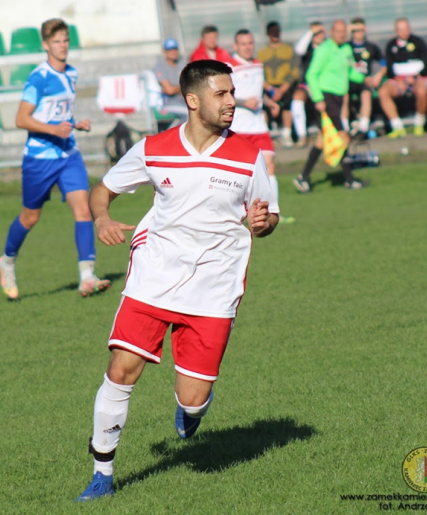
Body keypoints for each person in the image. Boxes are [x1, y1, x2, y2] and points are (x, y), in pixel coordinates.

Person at [75, 59, 280, 502]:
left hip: (215, 284)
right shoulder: (155, 148)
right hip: (155, 274)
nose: (232, 102)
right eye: (221, 94)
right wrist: (103, 217)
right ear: (193, 100)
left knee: (192, 398)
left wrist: (262, 224)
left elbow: (267, 215)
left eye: (232, 93)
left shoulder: (248, 156)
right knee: (120, 370)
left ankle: (189, 414)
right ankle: (102, 473)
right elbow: (103, 189)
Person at [0, 18, 110, 301]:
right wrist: (53, 129)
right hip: (40, 158)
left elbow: (58, 114)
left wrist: (74, 123)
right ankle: (7, 262)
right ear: (46, 45)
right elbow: (21, 118)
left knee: (83, 209)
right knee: (30, 217)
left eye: (66, 40)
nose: (63, 46)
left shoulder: (71, 73)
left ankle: (86, 276)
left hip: (68, 153)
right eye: (57, 41)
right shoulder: (38, 78)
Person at [292, 20, 368, 193]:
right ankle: (349, 179)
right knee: (343, 136)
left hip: (339, 98)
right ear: (332, 32)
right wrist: (318, 98)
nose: (342, 34)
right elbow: (312, 74)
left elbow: (349, 72)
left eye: (344, 32)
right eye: (338, 31)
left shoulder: (346, 49)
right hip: (326, 98)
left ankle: (303, 177)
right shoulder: (325, 49)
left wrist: (364, 78)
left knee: (322, 140)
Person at [230, 29, 294, 223]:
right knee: (239, 174)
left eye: (250, 43)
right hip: (238, 128)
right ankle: (237, 214)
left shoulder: (258, 64)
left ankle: (272, 212)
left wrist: (270, 103)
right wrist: (242, 103)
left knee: (269, 165)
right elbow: (224, 95)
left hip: (258, 126)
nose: (248, 47)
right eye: (243, 44)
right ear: (236, 46)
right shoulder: (229, 67)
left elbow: (257, 93)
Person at [378, 18, 427, 139]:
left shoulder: (418, 42)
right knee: (383, 92)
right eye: (400, 29)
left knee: (422, 91)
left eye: (406, 28)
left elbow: (426, 65)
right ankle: (397, 127)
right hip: (398, 80)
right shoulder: (391, 45)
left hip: (416, 78)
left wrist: (414, 77)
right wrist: (397, 79)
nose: (404, 32)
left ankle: (419, 124)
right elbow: (389, 67)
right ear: (396, 31)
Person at [258, 21, 300, 147]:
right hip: (269, 86)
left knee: (288, 104)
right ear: (267, 34)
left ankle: (287, 134)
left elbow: (294, 72)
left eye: (276, 32)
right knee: (263, 106)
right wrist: (270, 89)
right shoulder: (262, 53)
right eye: (272, 32)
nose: (274, 35)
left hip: (285, 86)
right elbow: (259, 75)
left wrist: (282, 89)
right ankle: (265, 135)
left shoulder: (288, 50)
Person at [346, 17, 386, 136]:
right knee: (344, 96)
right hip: (349, 81)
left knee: (366, 94)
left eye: (361, 30)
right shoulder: (346, 47)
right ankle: (346, 126)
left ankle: (363, 128)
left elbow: (384, 64)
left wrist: (378, 76)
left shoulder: (371, 47)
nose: (358, 33)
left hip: (365, 82)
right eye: (355, 30)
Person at [291, 21, 326, 146]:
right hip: (307, 87)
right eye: (315, 33)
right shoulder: (308, 49)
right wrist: (311, 31)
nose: (318, 35)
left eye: (320, 32)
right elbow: (299, 50)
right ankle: (302, 135)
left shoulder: (328, 48)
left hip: (325, 86)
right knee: (297, 98)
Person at [153, 38, 188, 125]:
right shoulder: (160, 67)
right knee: (189, 115)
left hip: (184, 101)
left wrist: (176, 88)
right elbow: (169, 90)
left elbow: (191, 84)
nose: (173, 52)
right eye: (169, 50)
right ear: (164, 51)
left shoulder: (181, 64)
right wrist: (183, 87)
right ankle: (175, 136)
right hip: (168, 103)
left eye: (175, 49)